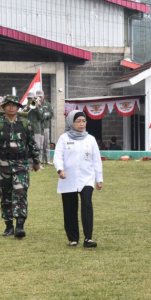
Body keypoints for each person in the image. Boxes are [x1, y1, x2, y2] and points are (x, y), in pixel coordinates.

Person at [0, 95, 41, 238]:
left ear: (18, 107)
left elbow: (32, 143)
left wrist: (36, 161)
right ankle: (9, 225)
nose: (11, 107)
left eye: (14, 105)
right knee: (5, 195)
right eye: (8, 105)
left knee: (20, 192)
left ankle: (20, 226)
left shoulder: (25, 123)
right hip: (2, 165)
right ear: (3, 107)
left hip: (21, 164)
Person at [54, 110, 102, 247]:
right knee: (70, 208)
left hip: (87, 177)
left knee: (87, 204)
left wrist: (99, 178)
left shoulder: (90, 139)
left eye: (84, 121)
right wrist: (60, 170)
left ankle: (88, 238)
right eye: (78, 121)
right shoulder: (64, 138)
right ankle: (73, 238)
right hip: (68, 178)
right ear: (71, 122)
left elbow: (96, 160)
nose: (82, 124)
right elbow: (58, 157)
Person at [36, 90, 53, 164]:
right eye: (38, 96)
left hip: (45, 126)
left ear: (43, 96)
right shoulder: (35, 104)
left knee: (46, 143)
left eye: (41, 96)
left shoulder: (48, 104)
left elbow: (51, 114)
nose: (40, 98)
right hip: (38, 127)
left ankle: (47, 160)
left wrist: (44, 116)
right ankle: (39, 160)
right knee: (39, 144)